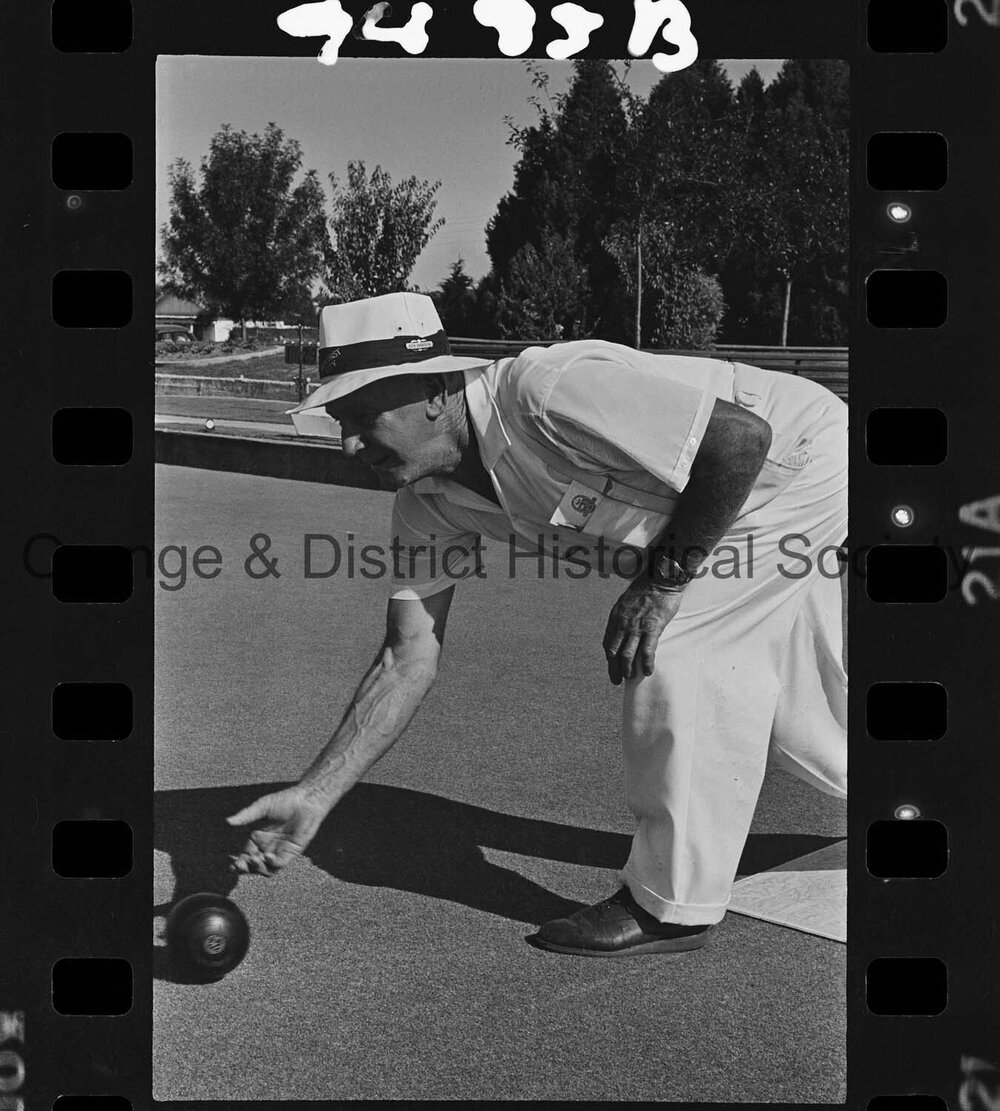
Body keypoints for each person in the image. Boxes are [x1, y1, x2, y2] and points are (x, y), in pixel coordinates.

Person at [228, 291, 847, 957]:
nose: (349, 442)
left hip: (795, 459)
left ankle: (671, 906)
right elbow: (407, 658)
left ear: (435, 392)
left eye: (360, 414)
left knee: (680, 651)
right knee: (780, 698)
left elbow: (739, 440)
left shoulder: (543, 393)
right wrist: (316, 795)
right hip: (740, 498)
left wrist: (661, 584)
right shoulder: (425, 504)